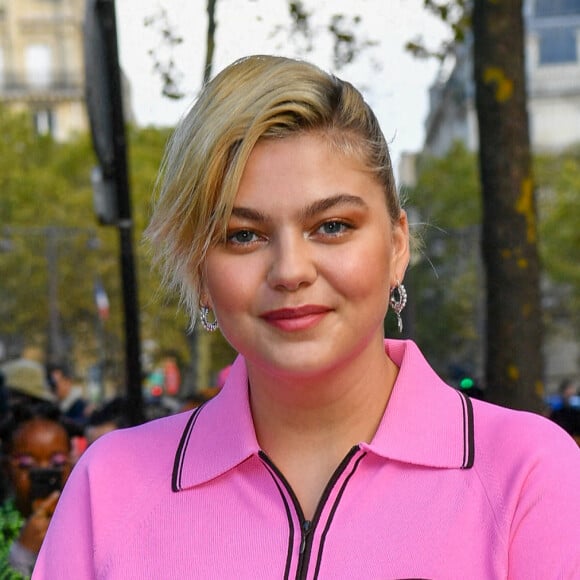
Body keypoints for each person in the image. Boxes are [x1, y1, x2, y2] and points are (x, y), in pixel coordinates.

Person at [34, 55, 580, 578]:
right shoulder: (108, 488)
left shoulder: (528, 474)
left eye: (333, 226)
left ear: (396, 244)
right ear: (200, 271)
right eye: (243, 235)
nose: (290, 271)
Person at [1, 403, 71, 578]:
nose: (43, 472)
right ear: (6, 468)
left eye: (57, 462)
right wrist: (22, 554)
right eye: (26, 464)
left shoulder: (89, 523)